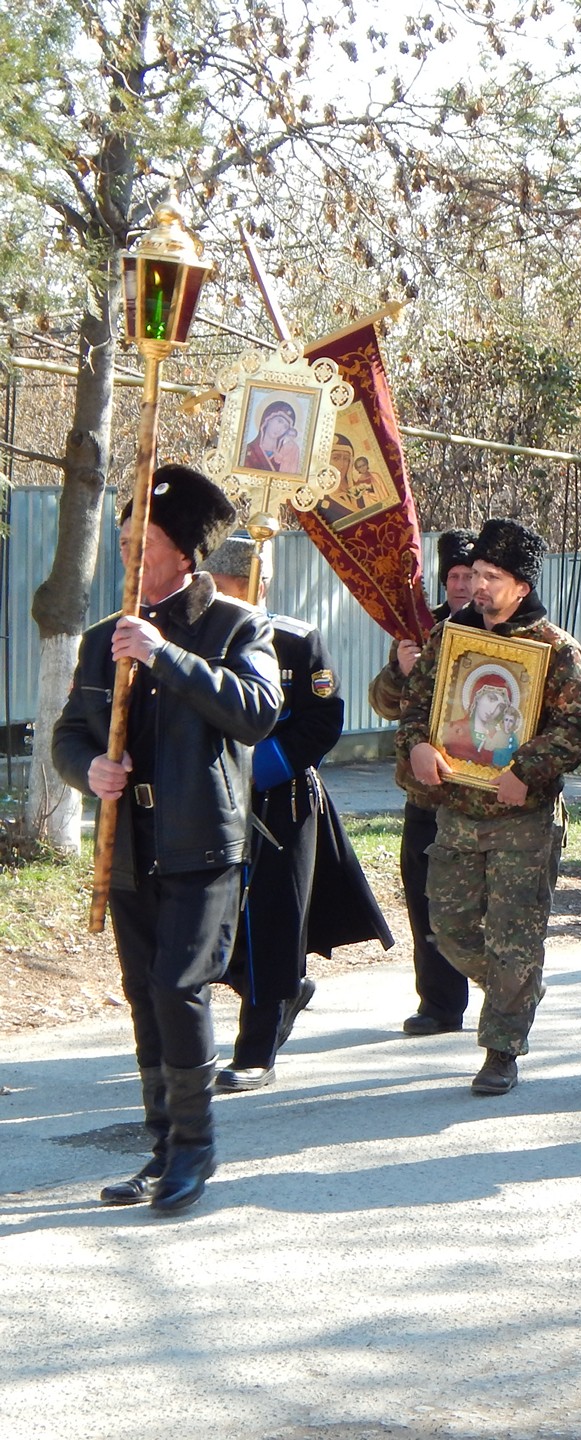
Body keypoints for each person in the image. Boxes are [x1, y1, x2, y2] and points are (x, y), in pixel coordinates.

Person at [53, 465, 282, 1212]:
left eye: (139, 542)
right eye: (119, 542)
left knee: (178, 987)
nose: (124, 556)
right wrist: (89, 767)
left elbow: (255, 712)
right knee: (144, 996)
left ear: (183, 553)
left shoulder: (237, 625)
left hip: (202, 844)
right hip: (129, 842)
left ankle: (195, 1149)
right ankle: (160, 1147)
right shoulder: (99, 640)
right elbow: (67, 734)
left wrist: (164, 656)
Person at [397, 517, 581, 1095]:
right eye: (477, 575)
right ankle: (520, 985)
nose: (479, 586)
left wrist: (525, 771)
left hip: (523, 820)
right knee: (450, 927)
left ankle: (501, 1048)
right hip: (457, 813)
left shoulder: (558, 651)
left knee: (515, 933)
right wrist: (416, 747)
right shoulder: (449, 641)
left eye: (493, 576)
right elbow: (415, 711)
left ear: (521, 585)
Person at [201, 538, 391, 1092]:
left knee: (270, 925)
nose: (221, 605)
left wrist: (259, 766)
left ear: (258, 586)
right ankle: (286, 991)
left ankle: (255, 1050)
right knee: (214, 927)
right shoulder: (193, 641)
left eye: (232, 594)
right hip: (209, 802)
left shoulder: (295, 639)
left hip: (278, 801)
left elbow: (323, 720)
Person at [368, 529, 479, 1035]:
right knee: (426, 900)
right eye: (453, 576)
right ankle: (439, 1004)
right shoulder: (420, 629)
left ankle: (505, 1002)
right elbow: (384, 703)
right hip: (426, 794)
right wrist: (399, 668)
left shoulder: (504, 629)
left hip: (481, 796)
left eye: (469, 575)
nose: (460, 585)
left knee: (482, 904)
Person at [242, 400, 301, 474]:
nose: (280, 429)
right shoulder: (248, 451)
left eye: (285, 427)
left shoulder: (286, 455)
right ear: (268, 419)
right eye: (279, 421)